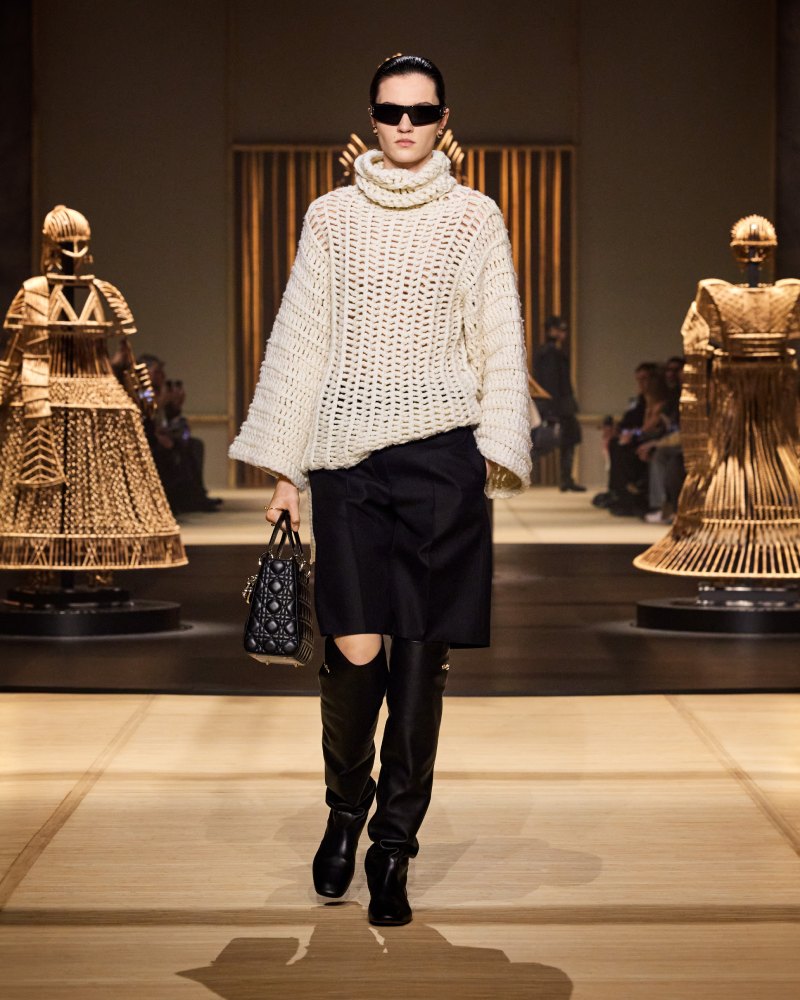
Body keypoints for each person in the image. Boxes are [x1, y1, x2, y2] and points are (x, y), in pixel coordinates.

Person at [229, 54, 531, 927]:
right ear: (371, 117)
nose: (405, 125)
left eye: (421, 112)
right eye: (391, 111)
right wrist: (286, 472)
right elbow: (302, 339)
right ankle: (344, 809)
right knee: (356, 648)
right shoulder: (330, 217)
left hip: (441, 460)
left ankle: (393, 846)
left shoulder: (475, 216)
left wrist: (496, 448)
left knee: (421, 658)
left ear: (444, 121)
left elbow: (497, 334)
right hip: (348, 463)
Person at [532, 315, 585, 491]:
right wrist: (552, 408)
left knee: (563, 439)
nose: (564, 333)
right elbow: (552, 382)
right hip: (557, 406)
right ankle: (565, 479)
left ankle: (566, 479)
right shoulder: (550, 353)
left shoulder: (550, 352)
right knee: (546, 442)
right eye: (560, 329)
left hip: (557, 405)